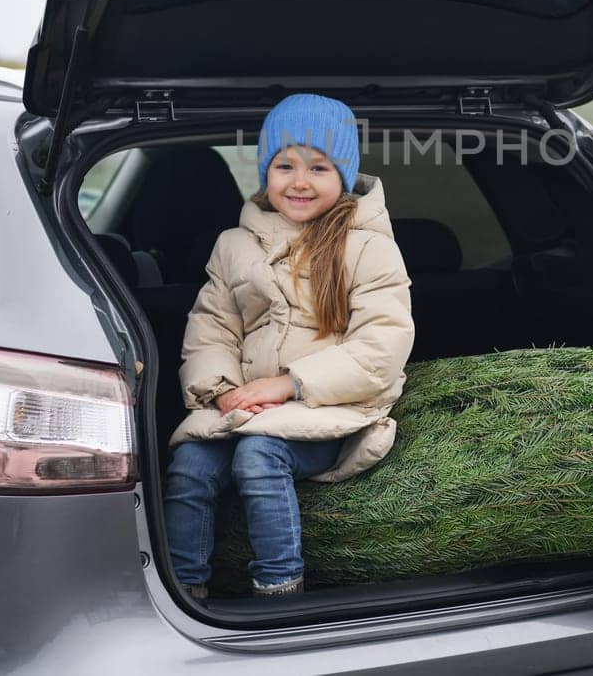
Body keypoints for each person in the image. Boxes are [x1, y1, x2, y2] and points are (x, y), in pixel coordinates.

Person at [164, 93, 414, 600]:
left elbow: (382, 345)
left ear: (343, 174)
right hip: (244, 404)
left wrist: (288, 384)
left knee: (258, 455)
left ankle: (280, 585)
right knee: (189, 465)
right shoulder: (233, 245)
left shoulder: (367, 247)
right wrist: (221, 392)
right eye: (284, 165)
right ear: (265, 172)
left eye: (318, 167)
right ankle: (185, 587)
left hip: (328, 406)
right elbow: (212, 328)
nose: (300, 181)